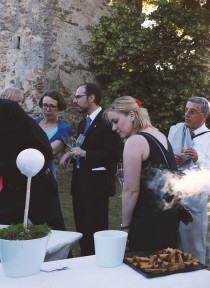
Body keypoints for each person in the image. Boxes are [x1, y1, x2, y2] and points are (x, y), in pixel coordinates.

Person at [105, 96, 183, 250]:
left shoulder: (134, 141)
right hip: (169, 216)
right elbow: (159, 171)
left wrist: (125, 227)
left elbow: (131, 191)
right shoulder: (159, 135)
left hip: (148, 219)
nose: (113, 128)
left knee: (144, 268)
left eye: (115, 121)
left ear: (131, 115)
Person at [60, 83, 122, 256]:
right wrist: (71, 155)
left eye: (78, 96)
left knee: (96, 230)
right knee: (82, 230)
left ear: (91, 98)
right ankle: (85, 264)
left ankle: (98, 266)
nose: (74, 100)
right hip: (79, 185)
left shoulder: (107, 121)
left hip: (97, 186)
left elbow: (114, 154)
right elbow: (81, 147)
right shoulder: (83, 122)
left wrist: (86, 153)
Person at [168, 96, 210, 263]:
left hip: (195, 199)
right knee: (173, 245)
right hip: (174, 194)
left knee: (193, 246)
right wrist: (175, 160)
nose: (187, 114)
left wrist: (199, 159)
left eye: (192, 112)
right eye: (186, 110)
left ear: (204, 115)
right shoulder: (177, 131)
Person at [0, 98, 66, 230]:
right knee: (7, 238)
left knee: (52, 235)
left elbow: (44, 150)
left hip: (38, 186)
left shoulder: (8, 109)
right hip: (8, 189)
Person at [36, 91, 71, 177]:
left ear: (59, 107)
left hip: (45, 172)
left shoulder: (63, 128)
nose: (48, 109)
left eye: (52, 106)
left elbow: (51, 151)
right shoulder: (33, 123)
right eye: (45, 105)